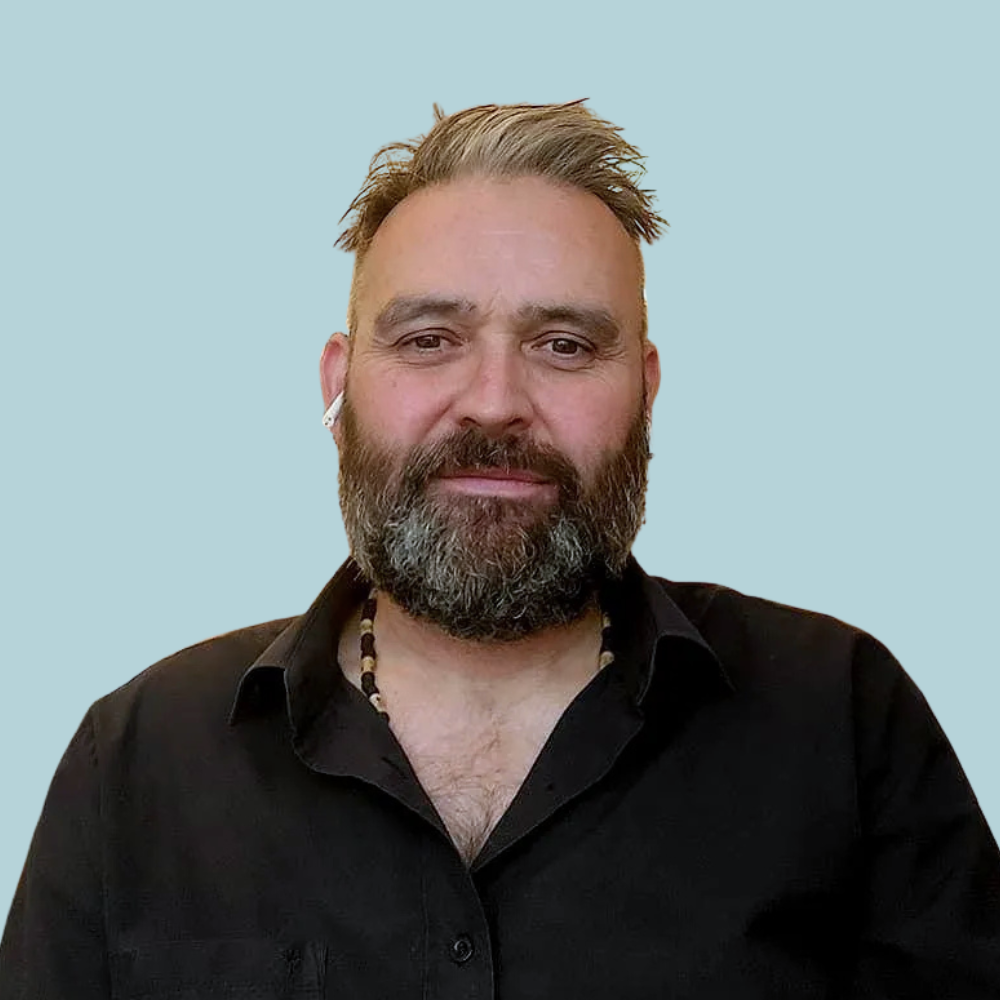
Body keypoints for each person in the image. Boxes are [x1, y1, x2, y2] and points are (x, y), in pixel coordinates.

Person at [2, 100, 998, 998]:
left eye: (563, 343)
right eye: (430, 338)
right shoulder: (135, 760)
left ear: (645, 391)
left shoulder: (844, 719)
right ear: (337, 388)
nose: (493, 401)